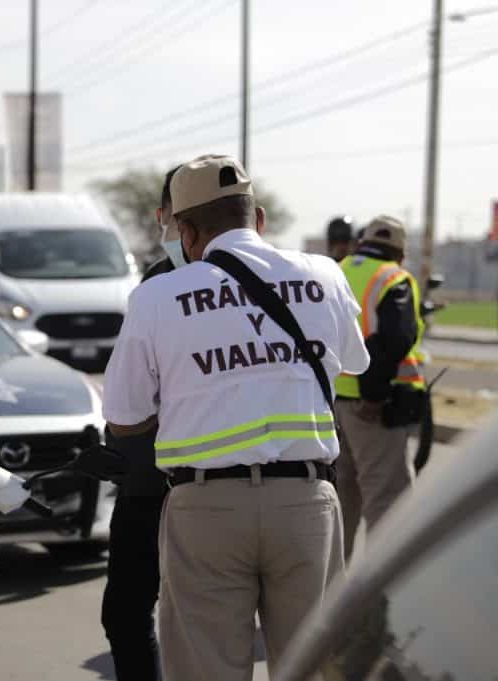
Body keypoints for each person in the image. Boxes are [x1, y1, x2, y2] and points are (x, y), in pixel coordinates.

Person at [103, 155, 369, 680]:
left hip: (205, 511)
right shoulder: (324, 275)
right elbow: (353, 363)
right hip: (306, 505)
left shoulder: (156, 296)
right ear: (259, 218)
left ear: (185, 231)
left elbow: (124, 415)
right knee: (312, 667)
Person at [101, 164, 180, 681]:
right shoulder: (156, 282)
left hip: (171, 484)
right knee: (128, 613)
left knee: (154, 617)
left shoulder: (161, 286)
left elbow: (126, 406)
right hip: (150, 481)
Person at [334, 215, 425, 559]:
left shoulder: (336, 271)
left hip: (333, 404)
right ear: (400, 253)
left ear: (361, 244)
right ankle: (382, 589)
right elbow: (394, 339)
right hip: (372, 410)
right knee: (387, 503)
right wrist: (373, 395)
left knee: (340, 502)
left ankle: (332, 588)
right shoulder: (394, 278)